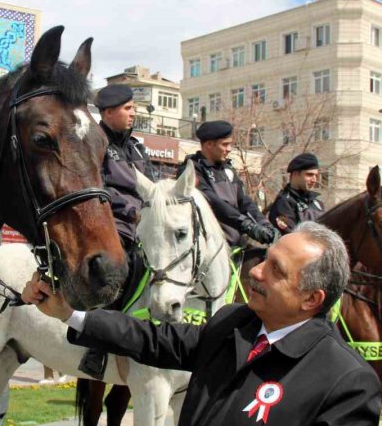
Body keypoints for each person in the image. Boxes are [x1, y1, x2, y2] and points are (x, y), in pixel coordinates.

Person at [23, 221, 382, 426]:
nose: (255, 271)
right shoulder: (234, 322)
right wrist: (70, 314)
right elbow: (156, 339)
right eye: (265, 259)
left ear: (311, 299)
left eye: (276, 270)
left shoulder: (344, 381)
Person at [76, 84, 158, 380]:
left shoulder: (136, 145)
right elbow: (96, 184)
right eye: (127, 108)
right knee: (122, 265)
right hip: (112, 220)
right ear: (108, 112)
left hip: (145, 219)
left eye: (133, 108)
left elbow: (152, 182)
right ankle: (97, 344)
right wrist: (129, 208)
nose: (133, 113)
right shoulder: (93, 141)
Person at [179, 120, 277, 248]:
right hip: (209, 247)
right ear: (209, 144)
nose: (229, 149)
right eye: (225, 145)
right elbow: (212, 202)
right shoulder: (190, 170)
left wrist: (264, 223)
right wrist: (245, 224)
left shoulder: (227, 169)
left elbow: (244, 201)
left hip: (237, 244)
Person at [268, 152, 325, 234]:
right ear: (295, 174)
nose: (314, 180)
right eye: (309, 175)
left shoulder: (318, 204)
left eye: (316, 175)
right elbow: (291, 237)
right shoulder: (284, 203)